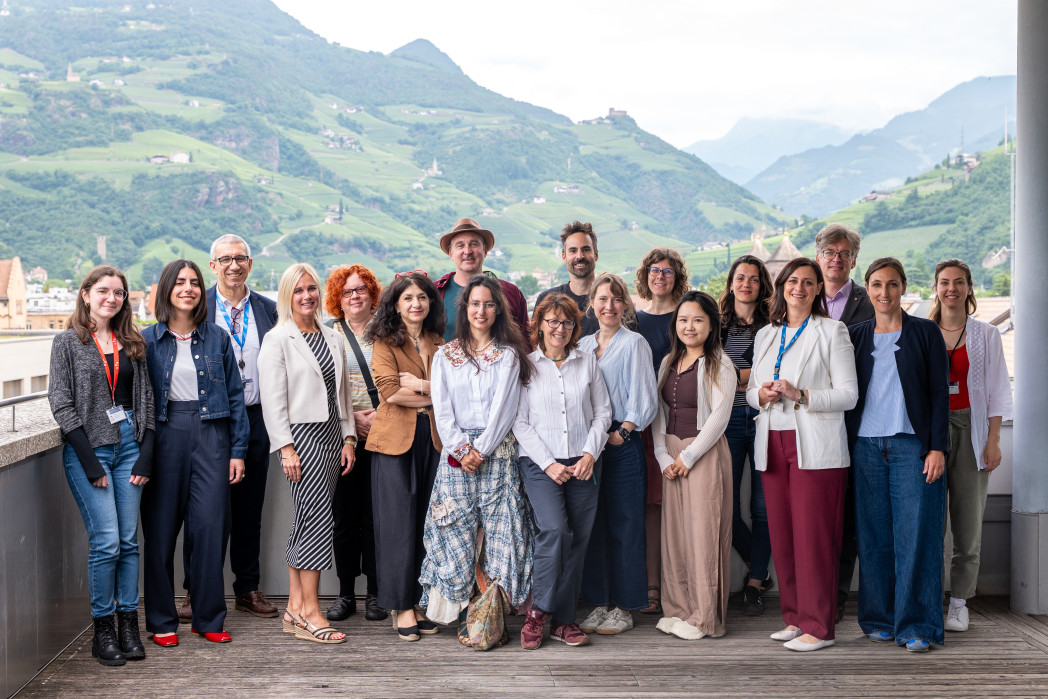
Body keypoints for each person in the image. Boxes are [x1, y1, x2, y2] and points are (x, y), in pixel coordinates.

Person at [747, 258, 858, 652]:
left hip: (815, 447)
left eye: (808, 283)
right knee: (784, 537)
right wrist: (760, 395)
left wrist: (801, 394)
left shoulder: (832, 331)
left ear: (817, 290)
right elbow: (750, 392)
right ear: (781, 286)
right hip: (772, 441)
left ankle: (821, 627)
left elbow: (848, 394)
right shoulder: (766, 334)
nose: (799, 288)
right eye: (793, 281)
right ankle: (795, 618)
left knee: (815, 538)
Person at [48, 265, 155, 666]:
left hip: (129, 447)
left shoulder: (133, 342)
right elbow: (60, 402)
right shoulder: (66, 342)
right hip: (88, 452)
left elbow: (146, 401)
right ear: (85, 294)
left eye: (119, 293)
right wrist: (90, 461)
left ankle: (129, 623)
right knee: (107, 541)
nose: (112, 298)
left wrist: (146, 451)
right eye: (104, 291)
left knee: (129, 541)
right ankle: (103, 629)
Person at [421, 274, 535, 647]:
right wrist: (459, 449)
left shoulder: (508, 356)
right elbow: (442, 407)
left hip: (496, 452)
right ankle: (452, 613)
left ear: (498, 309)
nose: (481, 310)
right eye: (475, 303)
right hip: (456, 455)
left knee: (504, 534)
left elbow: (506, 408)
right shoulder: (445, 355)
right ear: (464, 308)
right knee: (452, 528)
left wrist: (480, 450)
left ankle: (491, 617)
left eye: (488, 303)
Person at [142, 260, 248, 647]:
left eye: (194, 283)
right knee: (160, 533)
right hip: (163, 438)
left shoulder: (218, 337)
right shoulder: (146, 340)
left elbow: (235, 397)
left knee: (209, 529)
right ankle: (161, 621)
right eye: (180, 282)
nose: (188, 288)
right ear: (167, 288)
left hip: (212, 437)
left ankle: (208, 617)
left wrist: (237, 450)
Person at [847, 257, 949, 653]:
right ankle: (879, 618)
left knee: (917, 536)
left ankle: (918, 626)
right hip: (866, 447)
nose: (884, 292)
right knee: (874, 537)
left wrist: (937, 446)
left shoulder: (925, 332)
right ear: (867, 289)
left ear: (903, 287)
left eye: (891, 284)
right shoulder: (854, 336)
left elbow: (940, 394)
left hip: (912, 448)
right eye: (876, 284)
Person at [176, 234, 278, 623]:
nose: (234, 265)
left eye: (241, 258)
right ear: (213, 265)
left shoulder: (270, 310)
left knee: (250, 509)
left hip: (256, 418)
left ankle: (247, 588)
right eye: (225, 259)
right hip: (209, 420)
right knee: (201, 509)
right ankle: (194, 591)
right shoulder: (197, 309)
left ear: (250, 264)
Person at [258, 263, 356, 644]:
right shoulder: (278, 338)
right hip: (301, 438)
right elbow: (273, 399)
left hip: (333, 435)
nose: (307, 296)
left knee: (306, 520)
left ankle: (295, 609)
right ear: (287, 295)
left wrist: (349, 438)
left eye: (311, 288)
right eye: (298, 290)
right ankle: (312, 613)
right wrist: (285, 447)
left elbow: (342, 393)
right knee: (316, 521)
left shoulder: (332, 336)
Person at [515, 293, 612, 649]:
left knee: (578, 542)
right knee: (555, 530)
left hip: (584, 463)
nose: (559, 328)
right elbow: (519, 422)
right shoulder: (525, 366)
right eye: (552, 321)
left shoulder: (587, 363)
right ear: (539, 323)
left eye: (567, 322)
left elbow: (603, 413)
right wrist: (549, 463)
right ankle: (538, 613)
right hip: (540, 465)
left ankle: (565, 620)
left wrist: (589, 453)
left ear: (575, 328)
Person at [930, 259, 1012, 632]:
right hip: (930, 434)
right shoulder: (923, 332)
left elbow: (998, 391)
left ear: (969, 288)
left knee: (967, 525)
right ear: (936, 288)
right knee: (928, 524)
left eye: (958, 282)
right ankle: (927, 599)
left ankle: (959, 603)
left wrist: (993, 440)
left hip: (972, 429)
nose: (951, 289)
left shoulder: (985, 335)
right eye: (945, 282)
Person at [364, 271, 445, 641]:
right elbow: (391, 394)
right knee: (397, 524)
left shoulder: (439, 341)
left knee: (425, 524)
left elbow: (457, 391)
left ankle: (416, 599)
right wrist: (438, 398)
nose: (416, 303)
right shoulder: (383, 341)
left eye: (422, 298)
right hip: (395, 441)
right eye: (408, 298)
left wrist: (428, 391)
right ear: (396, 304)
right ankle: (401, 606)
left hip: (435, 441)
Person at [652, 291, 735, 640]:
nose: (690, 326)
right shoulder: (669, 360)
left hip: (703, 454)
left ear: (712, 325)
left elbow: (719, 417)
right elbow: (657, 411)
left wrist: (688, 456)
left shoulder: (720, 363)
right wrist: (662, 455)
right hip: (671, 456)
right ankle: (679, 610)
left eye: (698, 319)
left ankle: (703, 618)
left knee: (703, 537)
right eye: (684, 319)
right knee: (676, 540)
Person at [578, 272, 658, 636]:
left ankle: (625, 607)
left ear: (625, 305)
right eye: (602, 299)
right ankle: (599, 603)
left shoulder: (634, 343)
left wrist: (621, 434)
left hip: (620, 447)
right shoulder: (580, 346)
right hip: (588, 451)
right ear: (592, 304)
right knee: (594, 528)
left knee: (626, 527)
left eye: (615, 300)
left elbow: (645, 400)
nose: (608, 306)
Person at [814, 223, 875, 621]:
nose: (836, 259)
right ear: (819, 255)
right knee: (816, 510)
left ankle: (837, 596)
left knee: (850, 511)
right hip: (809, 416)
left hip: (857, 416)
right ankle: (812, 592)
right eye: (830, 252)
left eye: (844, 254)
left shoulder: (870, 302)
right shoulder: (799, 294)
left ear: (854, 260)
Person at [322, 264, 388, 623]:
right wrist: (352, 422)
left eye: (361, 288)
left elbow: (396, 380)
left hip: (384, 433)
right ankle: (345, 592)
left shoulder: (387, 332)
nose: (356, 295)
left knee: (376, 518)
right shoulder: (328, 335)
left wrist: (379, 415)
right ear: (338, 298)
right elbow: (323, 389)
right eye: (347, 291)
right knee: (344, 517)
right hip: (344, 438)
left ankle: (376, 593)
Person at [634, 248, 690, 615]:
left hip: (677, 418)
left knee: (676, 505)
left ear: (677, 277)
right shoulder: (633, 320)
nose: (660, 276)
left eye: (668, 271)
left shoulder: (684, 318)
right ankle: (650, 585)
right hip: (639, 422)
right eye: (655, 270)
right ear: (645, 274)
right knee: (647, 507)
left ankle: (677, 586)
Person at [718, 255, 775, 615]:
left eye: (754, 279)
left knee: (761, 505)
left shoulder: (773, 326)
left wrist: (734, 376)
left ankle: (754, 584)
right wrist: (746, 375)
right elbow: (708, 370)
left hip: (762, 417)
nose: (746, 284)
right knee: (727, 505)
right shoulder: (718, 324)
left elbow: (767, 375)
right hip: (725, 420)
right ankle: (761, 565)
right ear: (731, 283)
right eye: (740, 277)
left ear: (762, 285)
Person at [434, 217, 529, 343]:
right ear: (451, 253)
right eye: (460, 245)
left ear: (485, 250)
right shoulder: (434, 293)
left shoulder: (510, 293)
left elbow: (525, 342)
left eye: (474, 244)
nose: (467, 251)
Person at [534, 220, 600, 336]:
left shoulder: (612, 303)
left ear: (596, 254)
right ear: (564, 257)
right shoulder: (546, 299)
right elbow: (535, 342)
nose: (579, 256)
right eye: (573, 251)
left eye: (586, 249)